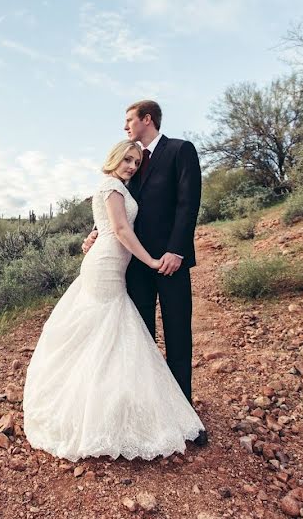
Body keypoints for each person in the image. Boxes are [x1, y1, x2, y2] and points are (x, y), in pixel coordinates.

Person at [22, 139, 205, 462]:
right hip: (107, 264)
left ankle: (117, 403)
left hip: (114, 263)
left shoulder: (119, 186)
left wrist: (94, 232)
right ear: (114, 159)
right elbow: (119, 228)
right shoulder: (111, 186)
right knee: (102, 328)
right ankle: (92, 410)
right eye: (128, 160)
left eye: (136, 162)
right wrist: (150, 260)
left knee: (109, 330)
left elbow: (111, 222)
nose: (132, 166)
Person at [83, 100, 207, 446]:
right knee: (140, 339)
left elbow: (188, 203)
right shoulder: (130, 163)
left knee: (178, 336)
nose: (125, 127)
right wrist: (97, 230)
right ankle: (145, 413)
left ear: (146, 120)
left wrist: (177, 250)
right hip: (134, 267)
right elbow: (117, 207)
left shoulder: (180, 150)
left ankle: (185, 415)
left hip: (171, 262)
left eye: (129, 120)